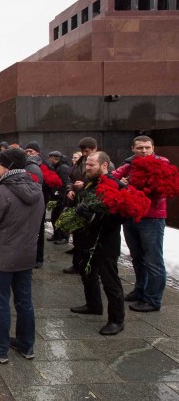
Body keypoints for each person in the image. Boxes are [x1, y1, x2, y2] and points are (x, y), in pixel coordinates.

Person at [0, 148, 44, 364]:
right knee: (24, 301)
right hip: (26, 255)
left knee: (0, 301)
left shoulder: (1, 191)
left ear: (7, 166)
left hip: (2, 257)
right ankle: (26, 344)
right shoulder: (36, 188)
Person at [70, 151, 125, 335]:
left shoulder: (115, 185)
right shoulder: (90, 183)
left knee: (110, 281)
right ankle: (93, 304)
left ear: (104, 166)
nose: (87, 168)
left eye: (91, 165)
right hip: (87, 238)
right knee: (87, 272)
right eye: (86, 165)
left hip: (106, 241)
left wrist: (92, 216)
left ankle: (117, 320)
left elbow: (119, 216)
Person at [112, 136, 169, 312]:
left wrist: (135, 184)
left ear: (153, 148)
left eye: (146, 147)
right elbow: (111, 177)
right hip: (131, 216)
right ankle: (140, 290)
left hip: (151, 218)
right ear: (133, 149)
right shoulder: (129, 165)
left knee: (153, 260)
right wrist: (121, 183)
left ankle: (152, 299)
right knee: (137, 257)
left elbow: (163, 188)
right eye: (139, 148)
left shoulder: (162, 163)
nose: (143, 151)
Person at [63, 137, 98, 274]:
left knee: (87, 239)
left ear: (95, 149)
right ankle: (77, 264)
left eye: (87, 151)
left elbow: (104, 182)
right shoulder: (79, 162)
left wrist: (85, 186)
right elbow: (69, 178)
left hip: (89, 206)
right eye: (82, 151)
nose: (84, 154)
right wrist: (70, 189)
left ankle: (88, 266)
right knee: (77, 236)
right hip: (77, 203)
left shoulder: (104, 162)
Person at [24, 142, 47, 269]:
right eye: (26, 151)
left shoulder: (42, 166)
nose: (28, 154)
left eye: (31, 151)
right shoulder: (26, 165)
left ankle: (39, 258)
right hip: (32, 200)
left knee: (38, 231)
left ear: (38, 152)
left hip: (40, 201)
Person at [47, 151, 71, 244]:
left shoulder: (63, 168)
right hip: (58, 196)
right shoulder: (58, 167)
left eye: (50, 157)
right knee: (55, 217)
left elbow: (64, 183)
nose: (49, 159)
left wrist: (59, 194)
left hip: (62, 197)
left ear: (54, 157)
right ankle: (57, 235)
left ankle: (64, 237)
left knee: (60, 217)